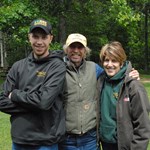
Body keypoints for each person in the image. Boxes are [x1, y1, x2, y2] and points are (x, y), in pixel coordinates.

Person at [58, 33, 140, 150]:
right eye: (72, 47)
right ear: (66, 49)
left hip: (90, 138)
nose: (76, 50)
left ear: (85, 51)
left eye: (80, 47)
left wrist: (130, 74)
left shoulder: (94, 68)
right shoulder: (58, 69)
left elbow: (114, 74)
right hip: (67, 139)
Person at [0, 18, 66, 150]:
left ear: (50, 38)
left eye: (44, 37)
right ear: (29, 37)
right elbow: (1, 100)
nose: (39, 42)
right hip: (19, 141)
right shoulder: (18, 66)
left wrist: (16, 95)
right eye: (35, 37)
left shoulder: (57, 66)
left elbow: (44, 102)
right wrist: (36, 106)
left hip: (45, 142)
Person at [98, 41, 150, 150]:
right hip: (105, 144)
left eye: (114, 61)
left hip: (126, 145)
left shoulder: (133, 86)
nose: (110, 64)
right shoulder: (100, 81)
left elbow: (143, 125)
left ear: (121, 63)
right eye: (107, 60)